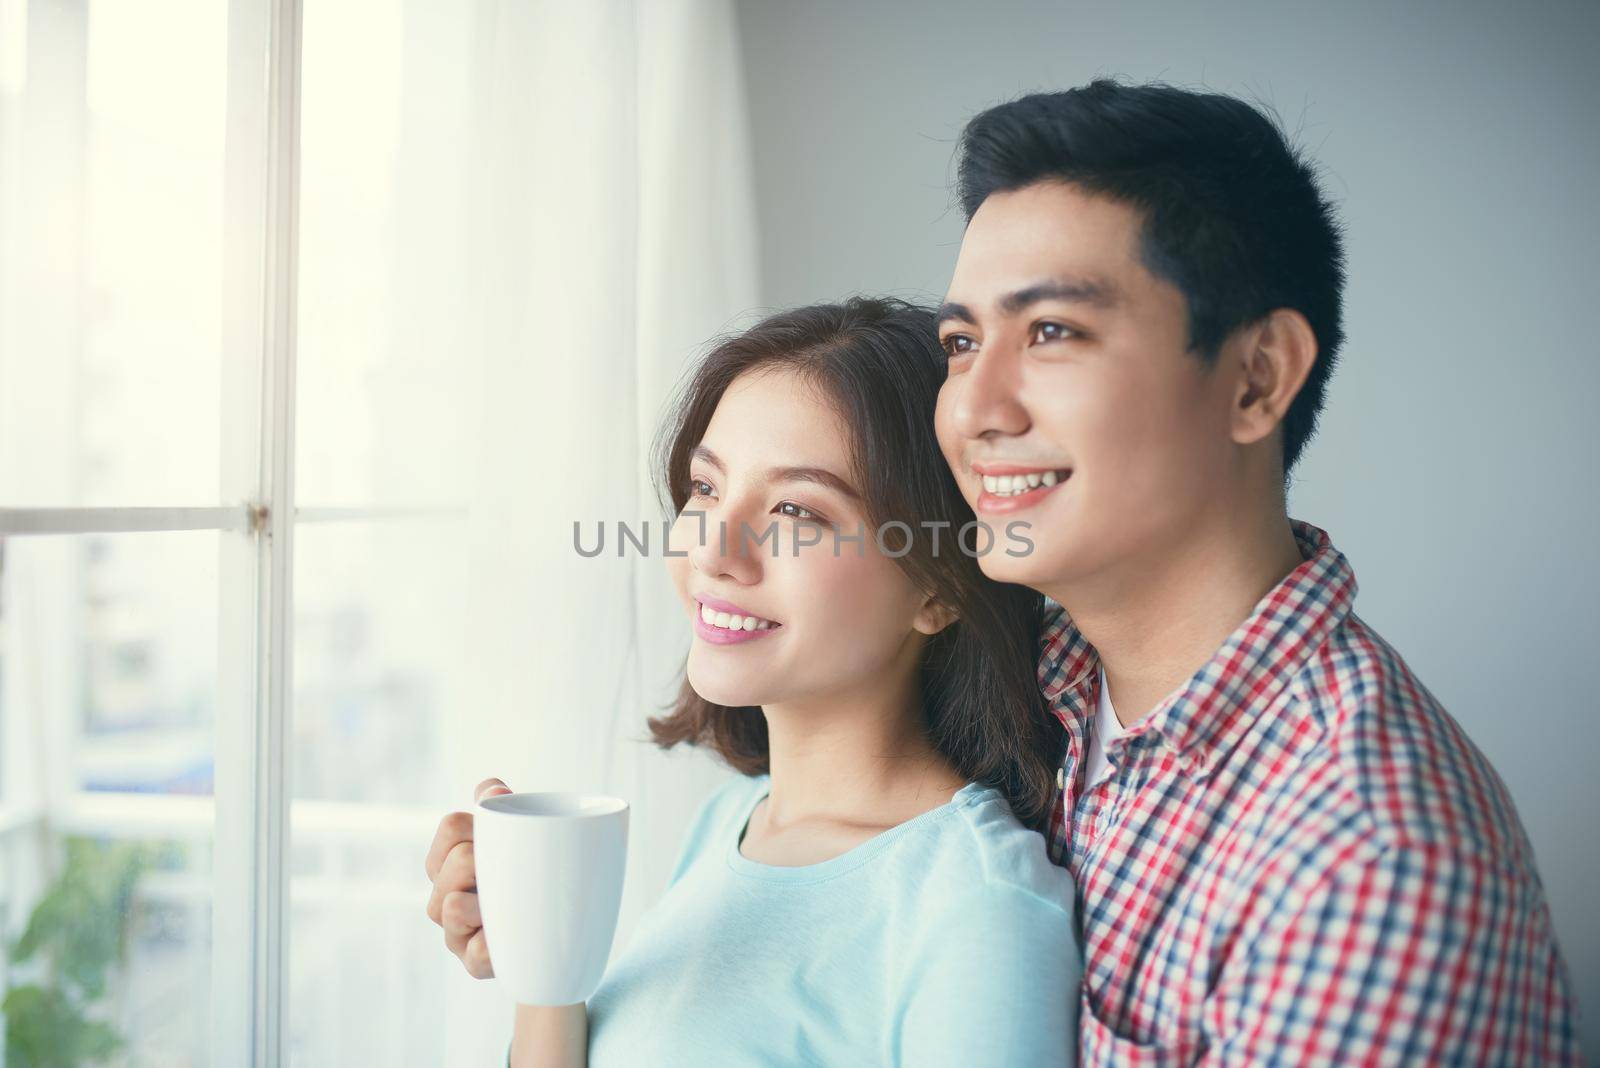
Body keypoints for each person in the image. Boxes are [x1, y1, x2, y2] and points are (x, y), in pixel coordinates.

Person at [932, 79, 1584, 1064]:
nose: (973, 406)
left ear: (1257, 377)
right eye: (960, 342)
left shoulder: (1366, 866)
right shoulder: (1033, 674)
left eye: (1051, 332)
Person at [425, 298, 1081, 1065]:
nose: (714, 549)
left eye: (797, 510)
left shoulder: (978, 912)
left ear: (937, 589)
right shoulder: (733, 823)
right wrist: (544, 962)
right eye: (706, 489)